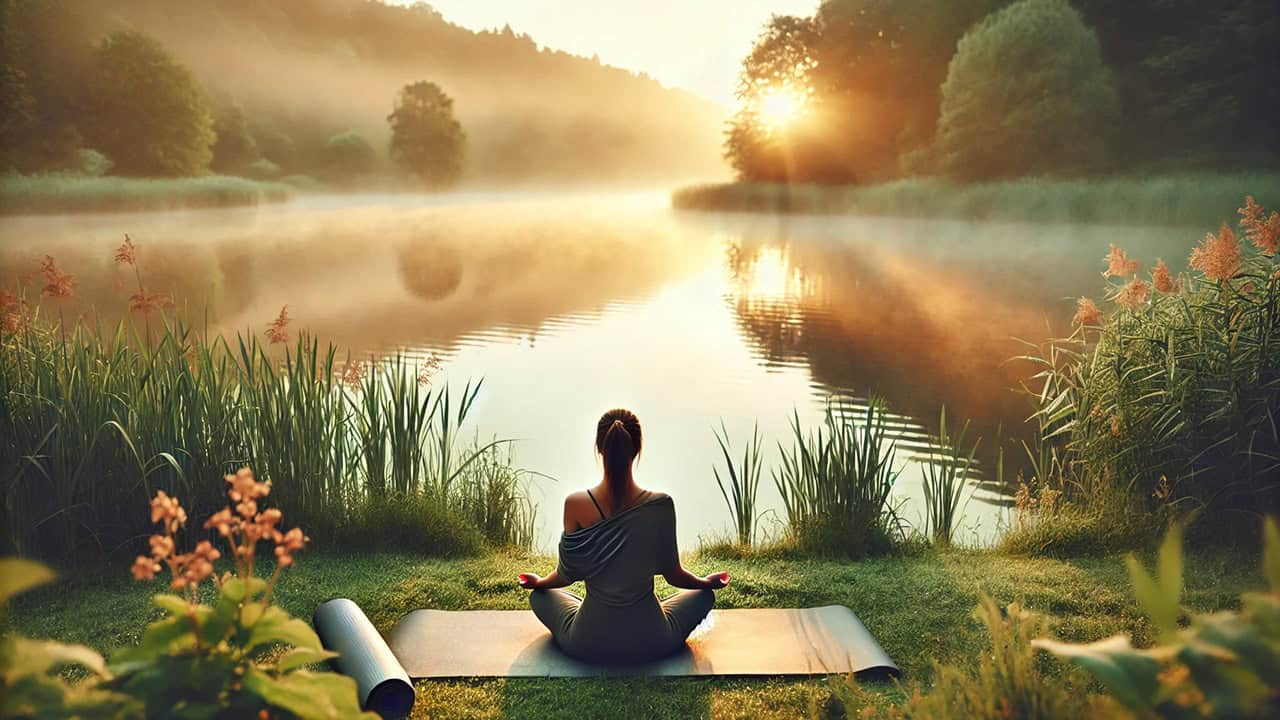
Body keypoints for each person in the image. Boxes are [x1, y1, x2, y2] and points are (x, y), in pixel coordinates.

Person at [516, 408, 730, 664]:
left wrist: (539, 583)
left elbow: (566, 575)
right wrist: (707, 583)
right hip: (653, 641)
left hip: (586, 642)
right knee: (703, 596)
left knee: (540, 597)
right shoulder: (660, 505)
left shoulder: (575, 504)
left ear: (599, 448)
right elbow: (675, 576)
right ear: (637, 450)